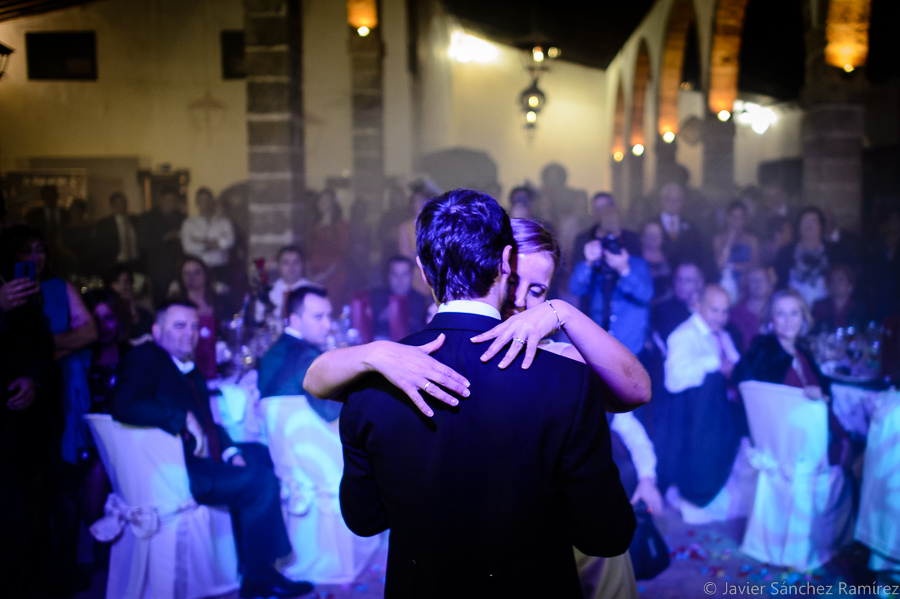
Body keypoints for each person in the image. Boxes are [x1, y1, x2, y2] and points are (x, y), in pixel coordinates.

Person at [336, 189, 636, 596]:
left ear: (423, 273)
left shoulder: (371, 381)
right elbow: (607, 533)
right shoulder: (565, 382)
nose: (519, 299)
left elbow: (364, 518)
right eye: (516, 281)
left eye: (538, 291)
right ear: (504, 264)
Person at [112, 300, 314, 599]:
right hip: (178, 469)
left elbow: (210, 425)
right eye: (179, 326)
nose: (189, 334)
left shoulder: (188, 371)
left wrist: (231, 451)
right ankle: (259, 579)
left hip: (199, 457)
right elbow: (123, 403)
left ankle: (252, 559)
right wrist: (180, 419)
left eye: (195, 327)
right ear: (156, 331)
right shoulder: (146, 358)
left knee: (259, 454)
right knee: (261, 484)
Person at [734, 288, 848, 465]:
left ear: (803, 318)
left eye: (794, 313)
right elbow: (755, 397)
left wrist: (820, 399)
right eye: (781, 314)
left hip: (810, 434)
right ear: (771, 320)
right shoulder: (763, 352)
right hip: (786, 444)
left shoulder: (803, 354)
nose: (788, 321)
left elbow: (824, 395)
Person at [663, 284, 745, 509]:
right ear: (698, 306)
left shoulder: (722, 335)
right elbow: (674, 380)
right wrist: (713, 365)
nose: (720, 317)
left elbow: (734, 363)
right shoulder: (684, 335)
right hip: (696, 418)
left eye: (725, 311)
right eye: (714, 310)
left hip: (721, 413)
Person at [569, 202, 654, 357]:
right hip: (600, 351)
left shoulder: (637, 264)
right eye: (603, 233)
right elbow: (575, 288)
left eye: (612, 234)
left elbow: (646, 294)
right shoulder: (594, 266)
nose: (608, 239)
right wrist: (588, 262)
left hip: (632, 350)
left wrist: (624, 269)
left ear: (621, 235)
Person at [257, 286, 341, 422]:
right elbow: (330, 410)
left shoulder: (270, 353)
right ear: (295, 321)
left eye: (328, 316)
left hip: (280, 440)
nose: (328, 324)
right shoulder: (306, 357)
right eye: (318, 317)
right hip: (315, 439)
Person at [170, 255, 232, 378]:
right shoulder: (176, 306)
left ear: (205, 275)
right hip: (187, 363)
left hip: (219, 362)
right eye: (187, 274)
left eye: (197, 272)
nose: (191, 278)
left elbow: (230, 331)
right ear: (181, 278)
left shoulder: (220, 302)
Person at [774, 206, 840, 307]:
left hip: (827, 311)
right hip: (793, 309)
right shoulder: (786, 252)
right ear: (798, 226)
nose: (809, 225)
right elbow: (779, 282)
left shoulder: (836, 251)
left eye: (813, 221)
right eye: (805, 221)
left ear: (821, 226)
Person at [180, 187, 235, 285]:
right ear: (197, 202)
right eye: (201, 200)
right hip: (197, 270)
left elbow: (229, 241)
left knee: (222, 297)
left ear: (212, 201)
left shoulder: (224, 222)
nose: (205, 203)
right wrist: (216, 242)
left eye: (207, 200)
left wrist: (201, 242)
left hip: (220, 269)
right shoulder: (189, 224)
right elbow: (188, 247)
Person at [369, 256, 428, 341]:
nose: (400, 280)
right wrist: (381, 318)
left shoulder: (422, 303)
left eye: (404, 274)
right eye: (395, 274)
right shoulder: (376, 300)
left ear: (411, 276)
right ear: (389, 276)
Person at [713, 200, 759, 299]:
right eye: (733, 217)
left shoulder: (752, 241)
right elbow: (720, 265)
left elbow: (755, 266)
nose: (736, 221)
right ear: (727, 218)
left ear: (745, 220)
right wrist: (730, 239)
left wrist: (734, 267)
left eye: (740, 218)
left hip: (747, 285)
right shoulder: (718, 240)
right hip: (725, 286)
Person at [105, 263, 154, 344]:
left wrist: (133, 310)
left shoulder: (145, 312)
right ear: (110, 286)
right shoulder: (108, 314)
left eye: (126, 281)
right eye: (117, 281)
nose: (123, 285)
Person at [810, 264, 867, 334]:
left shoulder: (859, 308)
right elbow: (813, 333)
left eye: (841, 280)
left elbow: (864, 333)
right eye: (832, 280)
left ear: (850, 286)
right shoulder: (819, 306)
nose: (836, 284)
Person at [729, 266, 774, 352]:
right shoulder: (736, 313)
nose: (758, 284)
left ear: (768, 284)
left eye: (762, 279)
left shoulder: (777, 311)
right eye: (753, 280)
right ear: (746, 284)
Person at [95, 191, 140, 275]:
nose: (122, 206)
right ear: (112, 205)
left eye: (123, 203)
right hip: (116, 263)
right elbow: (102, 246)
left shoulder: (135, 220)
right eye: (118, 203)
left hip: (135, 262)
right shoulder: (105, 224)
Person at [267, 245, 317, 320]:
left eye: (296, 262)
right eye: (286, 262)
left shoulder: (314, 292)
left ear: (302, 264)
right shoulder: (267, 293)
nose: (291, 267)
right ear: (278, 265)